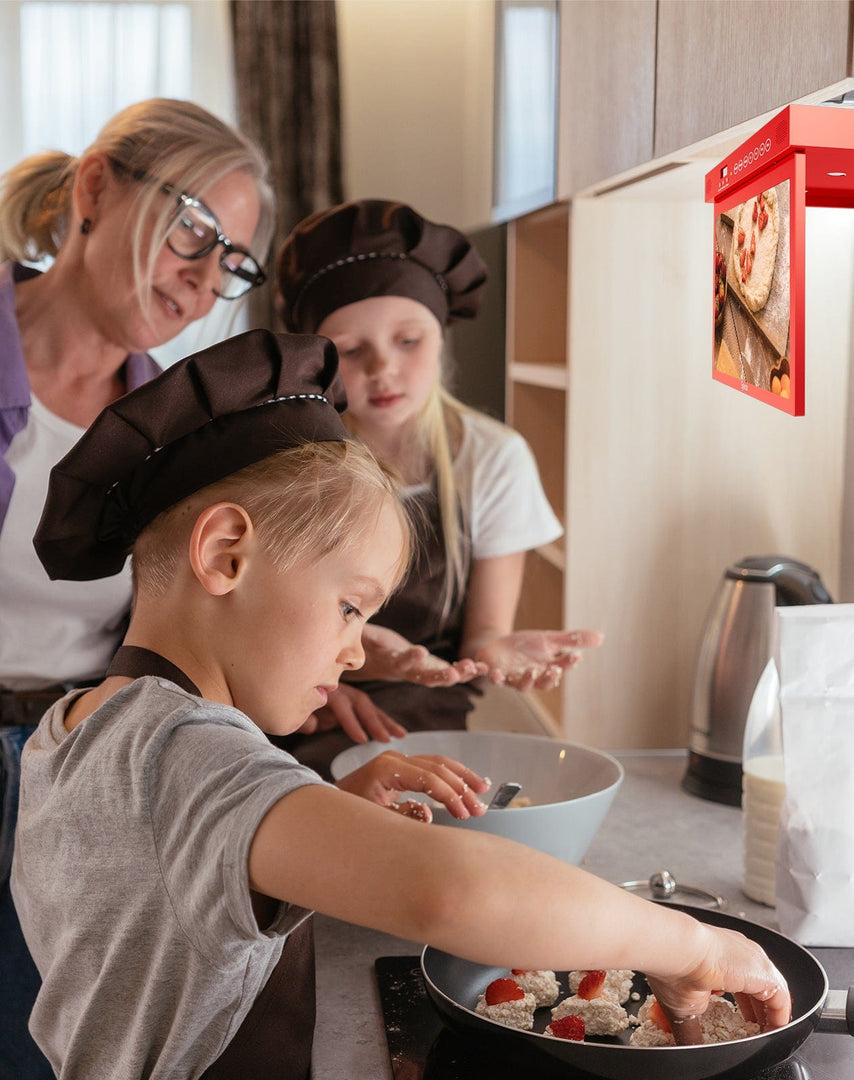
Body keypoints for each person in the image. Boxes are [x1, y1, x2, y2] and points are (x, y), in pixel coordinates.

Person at [14, 329, 791, 1078]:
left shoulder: (76, 728)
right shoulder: (189, 753)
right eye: (351, 606)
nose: (356, 651)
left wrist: (322, 810)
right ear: (226, 555)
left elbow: (169, 899)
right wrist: (688, 946)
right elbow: (454, 889)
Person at [0, 96, 274, 1079]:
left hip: (71, 772)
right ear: (93, 190)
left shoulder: (176, 439)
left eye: (230, 261)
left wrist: (346, 640)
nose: (203, 279)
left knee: (36, 1045)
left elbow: (199, 612)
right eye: (193, 229)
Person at [275, 199, 602, 754]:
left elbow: (484, 636)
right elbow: (260, 628)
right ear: (321, 358)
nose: (383, 370)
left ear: (442, 337)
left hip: (424, 710)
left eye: (408, 341)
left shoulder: (494, 461)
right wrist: (319, 690)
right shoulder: (289, 459)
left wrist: (496, 654)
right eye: (353, 350)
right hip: (293, 701)